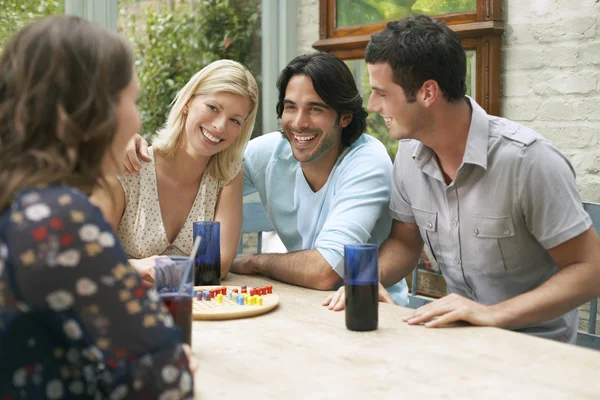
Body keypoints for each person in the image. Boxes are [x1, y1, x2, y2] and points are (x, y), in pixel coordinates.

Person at [324, 15, 600, 343]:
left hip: (533, 348)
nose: (371, 104)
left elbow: (590, 269)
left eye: (382, 93)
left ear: (428, 92)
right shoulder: (409, 157)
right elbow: (404, 242)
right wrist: (367, 279)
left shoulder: (529, 161)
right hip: (457, 339)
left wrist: (492, 314)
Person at [0, 15, 195, 398]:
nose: (137, 121)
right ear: (89, 111)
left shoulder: (19, 200)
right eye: (132, 101)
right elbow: (167, 382)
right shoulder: (58, 217)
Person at [126, 53, 408, 305]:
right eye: (290, 107)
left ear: (344, 117)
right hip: (302, 302)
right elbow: (202, 155)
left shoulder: (367, 162)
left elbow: (324, 271)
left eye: (315, 108)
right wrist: (126, 144)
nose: (299, 122)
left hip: (370, 307)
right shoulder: (268, 153)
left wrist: (255, 262)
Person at [94, 59, 259, 282]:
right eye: (213, 108)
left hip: (197, 310)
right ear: (187, 103)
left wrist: (154, 270)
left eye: (235, 120)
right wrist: (134, 267)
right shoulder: (130, 164)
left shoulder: (227, 176)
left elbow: (218, 266)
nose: (220, 126)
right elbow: (90, 255)